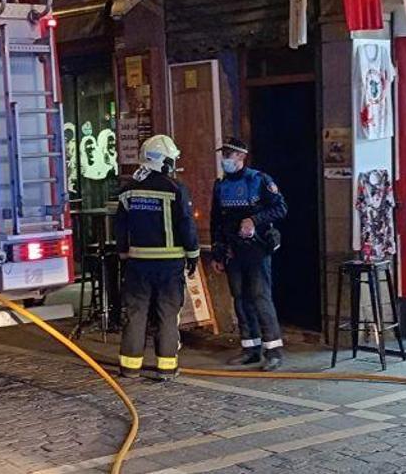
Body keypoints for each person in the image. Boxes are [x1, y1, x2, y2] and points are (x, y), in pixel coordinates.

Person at [116, 135, 200, 381]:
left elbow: (120, 226)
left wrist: (123, 253)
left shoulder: (128, 189)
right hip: (169, 264)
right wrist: (193, 254)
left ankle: (130, 367)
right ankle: (166, 368)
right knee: (167, 314)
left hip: (137, 263)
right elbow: (186, 225)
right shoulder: (176, 189)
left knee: (136, 313)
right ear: (163, 161)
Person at [210, 137, 288, 371]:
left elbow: (280, 208)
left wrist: (254, 219)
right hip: (233, 252)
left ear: (241, 157)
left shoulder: (259, 180)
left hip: (256, 249)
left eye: (229, 154)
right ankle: (250, 349)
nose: (225, 159)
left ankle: (273, 351)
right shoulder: (221, 185)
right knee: (240, 300)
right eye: (223, 154)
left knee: (260, 297)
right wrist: (217, 252)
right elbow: (216, 220)